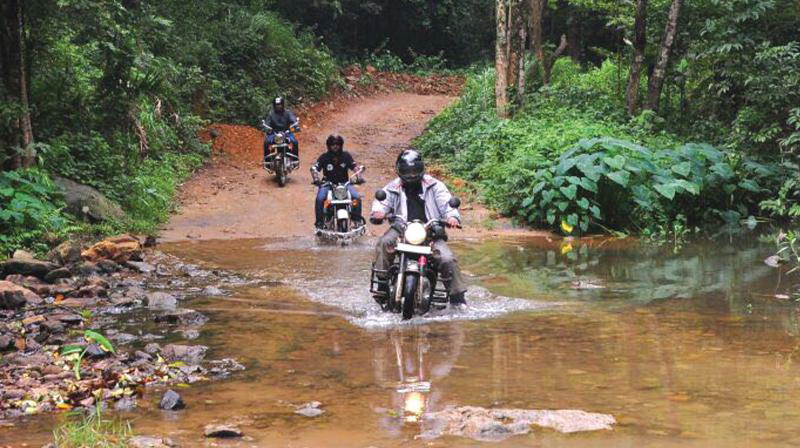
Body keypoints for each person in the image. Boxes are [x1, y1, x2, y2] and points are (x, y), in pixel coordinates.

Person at [370, 149, 467, 306]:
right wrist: (378, 212)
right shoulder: (393, 186)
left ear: (421, 168)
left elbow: (447, 202)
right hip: (401, 228)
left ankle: (458, 298)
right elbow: (382, 201)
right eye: (407, 171)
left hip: (430, 230)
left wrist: (452, 217)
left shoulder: (435, 185)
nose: (412, 174)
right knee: (384, 243)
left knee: (447, 258)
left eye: (415, 170)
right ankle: (382, 284)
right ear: (399, 170)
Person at [311, 134, 365, 229]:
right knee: (320, 199)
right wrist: (316, 178)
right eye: (332, 144)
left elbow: (355, 167)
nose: (335, 146)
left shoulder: (346, 156)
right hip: (328, 184)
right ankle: (319, 222)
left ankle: (357, 220)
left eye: (337, 144)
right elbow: (315, 168)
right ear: (328, 145)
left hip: (344, 184)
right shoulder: (324, 157)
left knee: (356, 198)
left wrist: (359, 176)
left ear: (341, 145)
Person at [262, 96, 299, 162]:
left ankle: (295, 160)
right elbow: (267, 123)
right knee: (266, 142)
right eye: (276, 105)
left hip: (286, 132)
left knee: (295, 142)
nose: (278, 106)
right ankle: (267, 161)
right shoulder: (271, 114)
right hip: (274, 134)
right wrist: (266, 128)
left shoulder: (287, 113)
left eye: (279, 105)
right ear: (274, 105)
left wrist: (296, 126)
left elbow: (293, 119)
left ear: (283, 104)